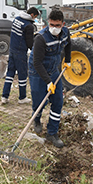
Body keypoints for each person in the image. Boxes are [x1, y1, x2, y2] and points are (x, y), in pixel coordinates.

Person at [29, 9, 71, 148]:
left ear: (63, 24)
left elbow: (69, 44)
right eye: (51, 25)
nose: (54, 28)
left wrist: (68, 60)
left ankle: (52, 133)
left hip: (53, 69)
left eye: (57, 25)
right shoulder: (41, 38)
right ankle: (37, 119)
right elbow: (37, 63)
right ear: (48, 23)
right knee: (39, 100)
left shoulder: (65, 33)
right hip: (37, 71)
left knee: (58, 101)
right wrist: (48, 82)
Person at [1, 7, 41, 104]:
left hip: (12, 51)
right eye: (35, 17)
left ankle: (4, 97)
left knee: (10, 74)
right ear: (32, 15)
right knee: (22, 75)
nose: (35, 18)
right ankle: (22, 98)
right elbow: (29, 44)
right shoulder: (29, 26)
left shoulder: (17, 19)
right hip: (20, 53)